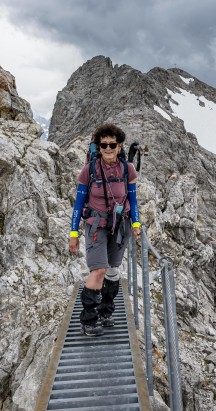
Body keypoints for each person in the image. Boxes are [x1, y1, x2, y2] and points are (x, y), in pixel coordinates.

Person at [68, 123, 141, 336]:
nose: (108, 148)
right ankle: (89, 319)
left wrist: (136, 224)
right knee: (98, 270)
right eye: (104, 145)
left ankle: (106, 312)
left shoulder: (128, 170)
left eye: (112, 144)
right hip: (96, 227)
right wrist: (74, 234)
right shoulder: (88, 170)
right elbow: (78, 204)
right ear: (98, 147)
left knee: (112, 271)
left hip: (120, 226)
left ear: (119, 146)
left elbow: (133, 200)